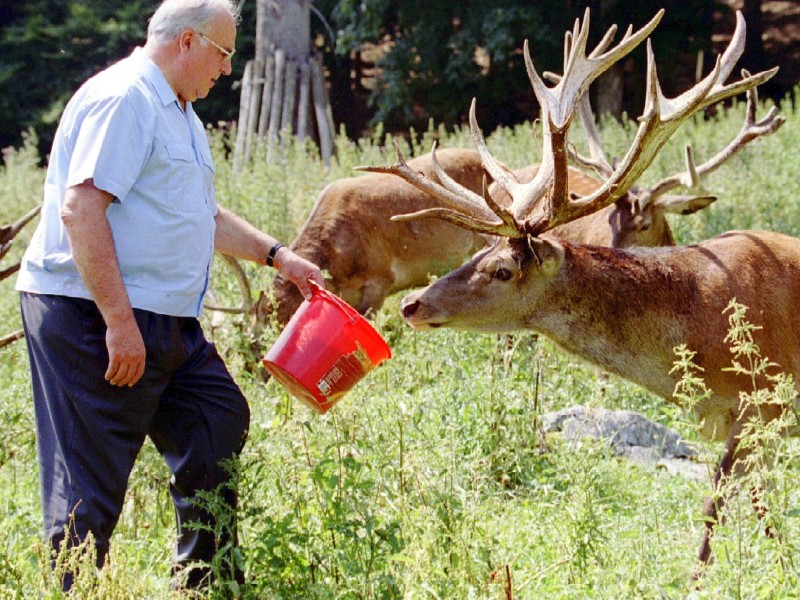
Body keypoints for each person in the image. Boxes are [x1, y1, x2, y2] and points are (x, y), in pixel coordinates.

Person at [15, 0, 324, 590]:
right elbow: (82, 210)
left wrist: (278, 257)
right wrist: (118, 321)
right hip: (93, 314)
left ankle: (207, 580)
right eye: (225, 53)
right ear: (187, 42)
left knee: (216, 420)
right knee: (91, 481)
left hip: (167, 319)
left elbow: (200, 213)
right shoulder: (125, 99)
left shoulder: (179, 111)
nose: (228, 69)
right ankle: (72, 589)